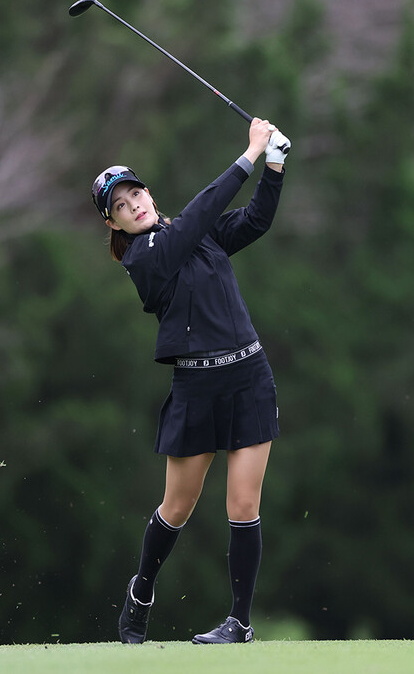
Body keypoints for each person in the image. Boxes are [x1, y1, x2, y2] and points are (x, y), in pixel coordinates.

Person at [91, 118, 288, 644]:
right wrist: (247, 155)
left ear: (148, 193)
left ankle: (240, 624)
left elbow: (254, 222)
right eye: (119, 206)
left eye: (135, 192)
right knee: (176, 508)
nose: (133, 204)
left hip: (249, 378)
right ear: (115, 226)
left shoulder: (195, 237)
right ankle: (141, 595)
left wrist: (273, 166)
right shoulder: (144, 259)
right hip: (197, 391)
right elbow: (199, 214)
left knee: (244, 506)